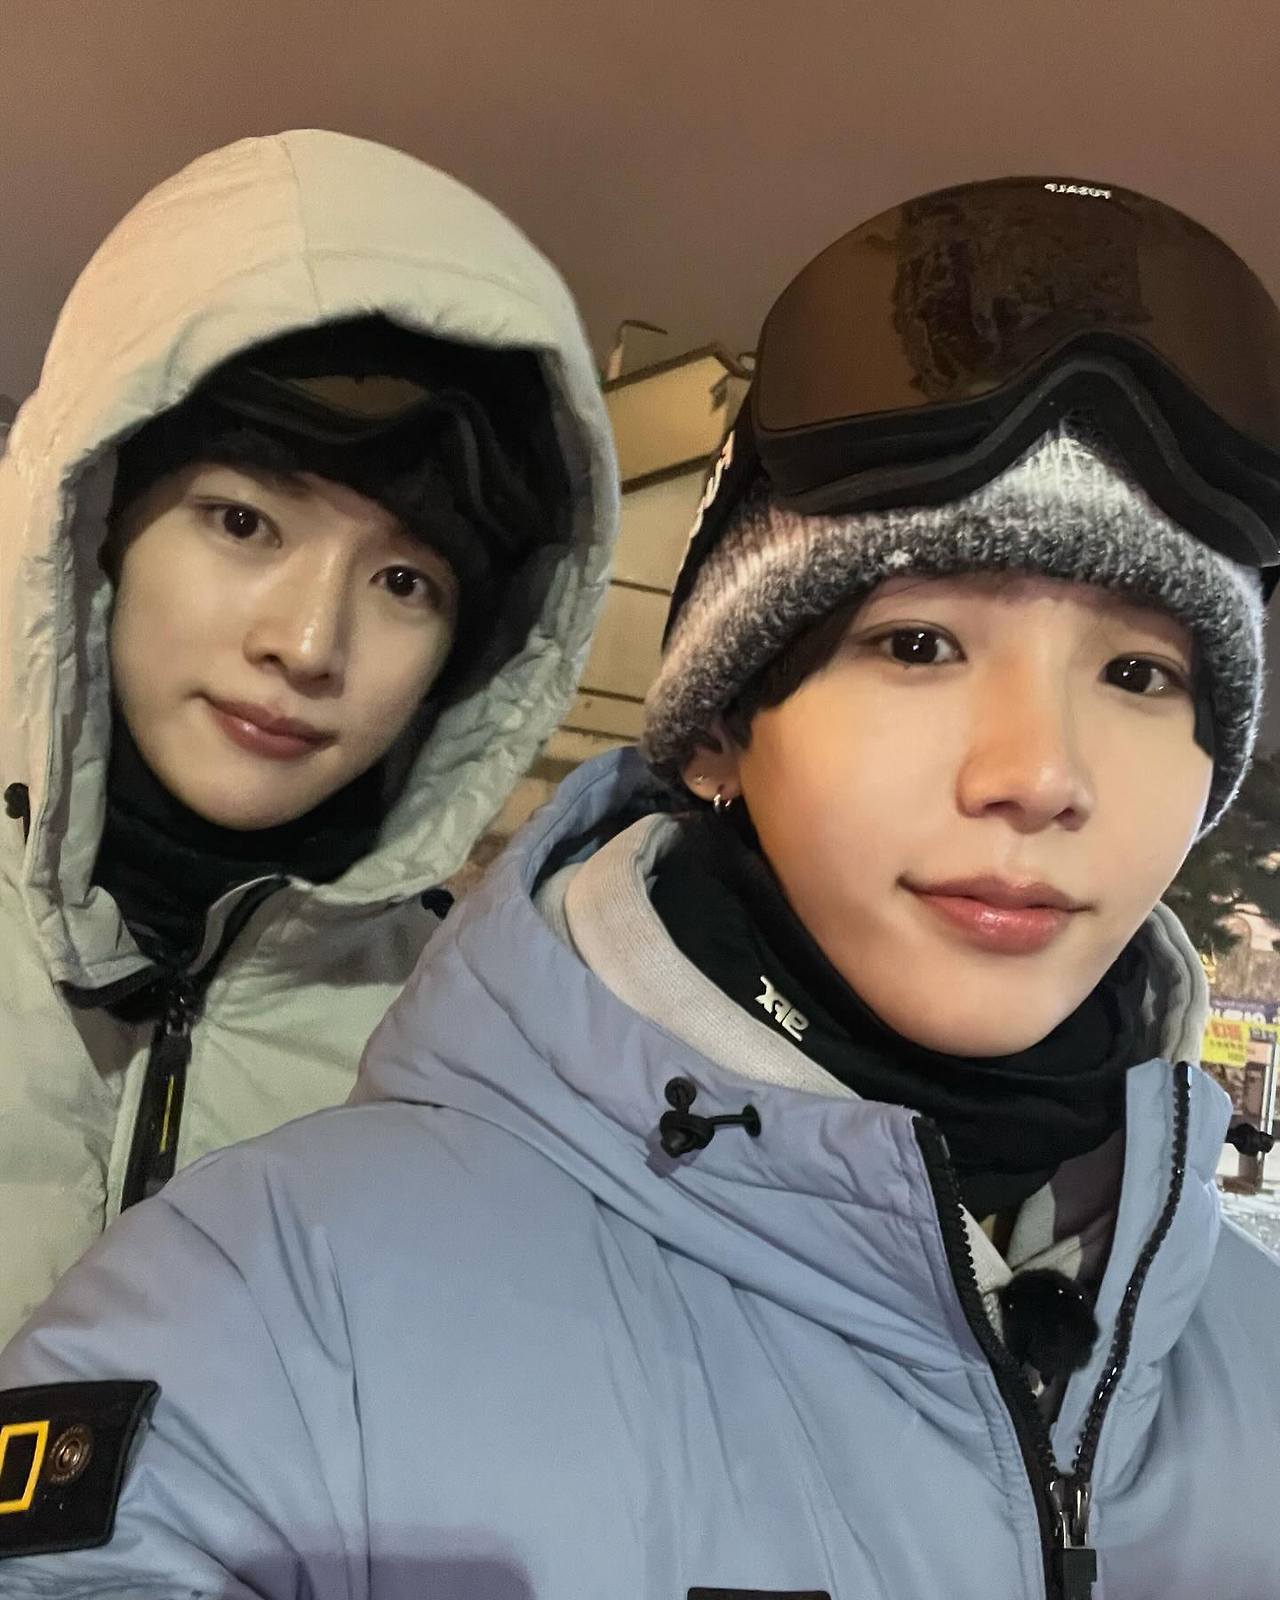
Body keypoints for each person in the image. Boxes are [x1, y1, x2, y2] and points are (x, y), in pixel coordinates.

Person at [3, 176, 1279, 1598]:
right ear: (721, 728)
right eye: (917, 644)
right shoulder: (277, 1311)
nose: (1041, 773)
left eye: (1139, 673)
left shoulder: (1255, 1350)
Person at [0, 127, 616, 1344]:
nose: (307, 642)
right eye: (244, 522)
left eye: (404, 583)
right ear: (93, 522)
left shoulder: (484, 1053)